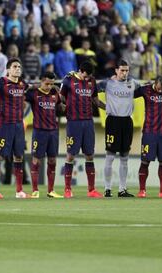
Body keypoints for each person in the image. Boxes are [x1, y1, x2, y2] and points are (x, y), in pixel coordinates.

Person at [60, 61, 105, 198]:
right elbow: (61, 98)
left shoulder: (91, 81)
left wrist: (109, 108)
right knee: (71, 155)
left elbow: (96, 101)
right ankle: (67, 189)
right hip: (74, 122)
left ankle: (91, 190)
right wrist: (62, 107)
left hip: (88, 122)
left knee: (90, 155)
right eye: (85, 76)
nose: (87, 79)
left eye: (89, 77)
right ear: (80, 71)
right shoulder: (68, 80)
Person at [0, 58, 29, 199]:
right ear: (8, 70)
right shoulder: (1, 82)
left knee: (19, 156)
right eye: (14, 66)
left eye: (19, 66)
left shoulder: (23, 84)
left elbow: (32, 89)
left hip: (19, 125)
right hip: (5, 125)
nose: (18, 69)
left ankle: (19, 191)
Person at [98, 60, 139, 198]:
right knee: (110, 156)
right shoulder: (107, 83)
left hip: (127, 121)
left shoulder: (132, 83)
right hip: (113, 121)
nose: (125, 73)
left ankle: (122, 189)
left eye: (127, 70)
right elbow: (91, 92)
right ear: (116, 70)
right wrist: (105, 107)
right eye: (122, 70)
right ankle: (107, 189)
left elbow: (148, 89)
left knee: (124, 157)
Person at [25, 72, 64, 198]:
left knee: (52, 160)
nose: (49, 86)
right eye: (47, 83)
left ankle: (51, 190)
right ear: (41, 81)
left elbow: (59, 107)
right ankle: (35, 190)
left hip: (53, 131)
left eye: (52, 84)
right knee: (36, 160)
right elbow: (21, 92)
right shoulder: (34, 94)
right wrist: (32, 86)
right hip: (39, 131)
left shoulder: (55, 94)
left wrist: (63, 104)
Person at [134, 76, 162, 198]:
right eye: (159, 88)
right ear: (155, 84)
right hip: (149, 132)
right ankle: (142, 190)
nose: (161, 91)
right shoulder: (145, 90)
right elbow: (131, 93)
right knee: (145, 161)